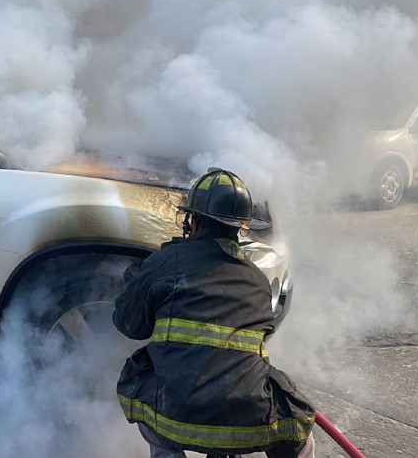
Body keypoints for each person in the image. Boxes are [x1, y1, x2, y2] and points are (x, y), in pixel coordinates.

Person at [113, 169, 316, 458]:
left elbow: (130, 326)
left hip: (173, 415)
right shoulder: (257, 279)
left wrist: (136, 283)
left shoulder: (164, 263)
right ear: (240, 228)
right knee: (301, 428)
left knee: (140, 378)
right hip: (247, 421)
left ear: (192, 220)